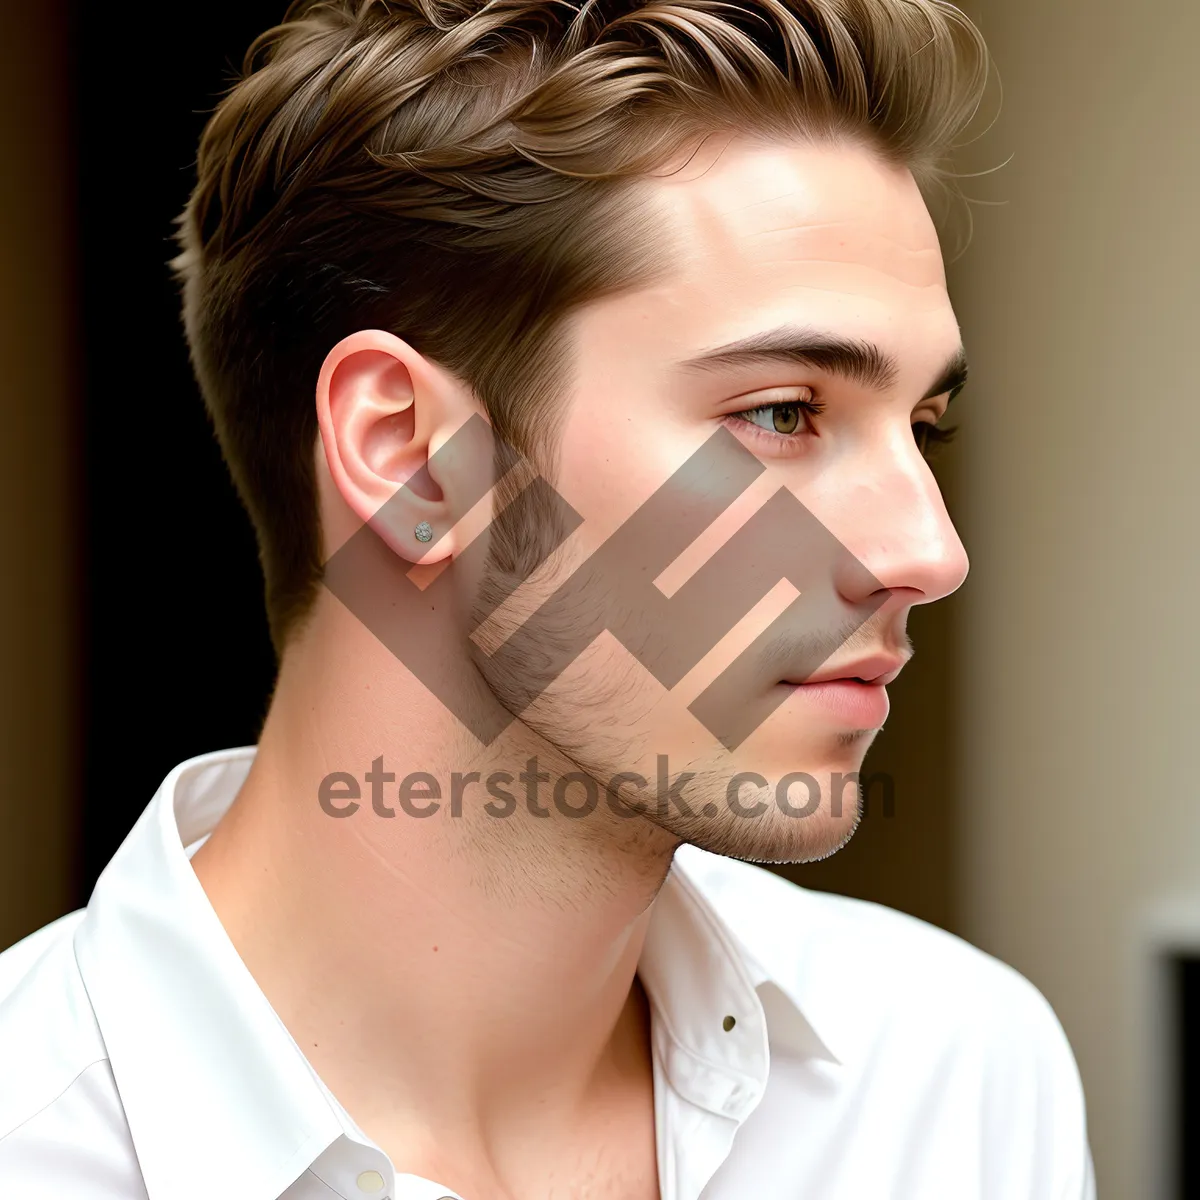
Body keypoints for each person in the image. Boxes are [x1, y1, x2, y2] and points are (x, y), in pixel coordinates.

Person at [0, 0, 1096, 1196]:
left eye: (924, 423)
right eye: (782, 414)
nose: (931, 552)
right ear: (413, 457)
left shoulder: (949, 1075)